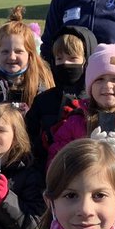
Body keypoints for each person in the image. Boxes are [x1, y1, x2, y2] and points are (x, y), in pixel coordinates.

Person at [48, 43, 115, 173]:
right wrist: (86, 154)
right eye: (100, 79)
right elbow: (54, 167)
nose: (107, 85)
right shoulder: (75, 121)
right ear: (90, 86)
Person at [24, 26, 96, 157]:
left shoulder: (96, 102)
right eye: (59, 59)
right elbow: (28, 139)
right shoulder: (43, 101)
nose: (65, 63)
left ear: (87, 60)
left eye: (73, 58)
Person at [0, 7, 53, 110]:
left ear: (30, 53)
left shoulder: (41, 83)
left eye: (18, 51)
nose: (12, 57)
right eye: (5, 52)